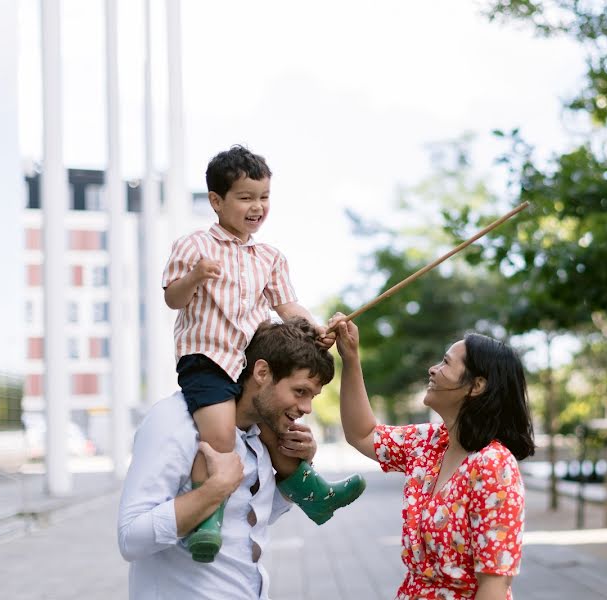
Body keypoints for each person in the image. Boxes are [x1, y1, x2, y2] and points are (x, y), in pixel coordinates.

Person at [161, 145, 364, 561]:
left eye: (264, 197)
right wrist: (196, 276)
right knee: (218, 437)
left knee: (277, 432)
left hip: (251, 360)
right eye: (246, 197)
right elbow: (173, 300)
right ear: (217, 201)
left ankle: (315, 495)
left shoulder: (270, 257)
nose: (258, 206)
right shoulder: (194, 246)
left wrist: (316, 329)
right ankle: (205, 520)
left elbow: (289, 308)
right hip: (207, 359)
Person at [118, 318, 351, 599]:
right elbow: (131, 538)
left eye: (312, 396)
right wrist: (213, 492)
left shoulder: (258, 434)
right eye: (300, 391)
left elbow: (246, 522)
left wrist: (302, 465)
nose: (306, 408)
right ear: (262, 372)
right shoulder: (174, 421)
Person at [332, 315, 535, 600]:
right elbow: (361, 434)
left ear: (477, 386)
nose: (432, 369)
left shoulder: (493, 466)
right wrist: (350, 357)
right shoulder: (429, 442)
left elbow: (494, 586)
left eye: (446, 363)